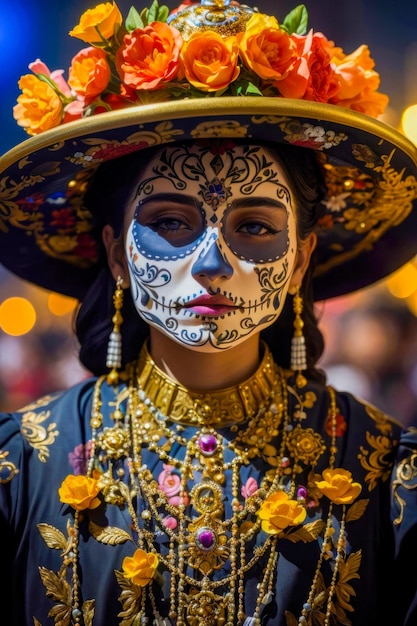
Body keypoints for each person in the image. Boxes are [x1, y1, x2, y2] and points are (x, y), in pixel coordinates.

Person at [1, 1, 417, 624]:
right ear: (116, 253)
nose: (212, 264)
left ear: (300, 258)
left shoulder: (387, 472)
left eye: (253, 225)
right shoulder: (23, 466)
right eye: (170, 222)